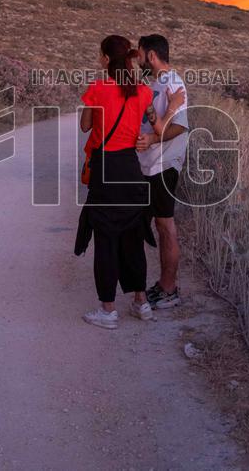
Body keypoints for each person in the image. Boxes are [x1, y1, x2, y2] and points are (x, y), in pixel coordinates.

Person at [75, 35, 185, 330]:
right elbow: (158, 127)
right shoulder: (143, 92)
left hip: (106, 168)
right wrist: (174, 104)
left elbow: (85, 125)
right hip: (132, 168)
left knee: (106, 237)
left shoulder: (98, 87)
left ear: (106, 59)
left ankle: (108, 310)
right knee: (133, 235)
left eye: (101, 55)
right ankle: (141, 302)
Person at [136, 34, 189, 310]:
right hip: (151, 164)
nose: (138, 58)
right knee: (154, 224)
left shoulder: (175, 84)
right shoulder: (157, 83)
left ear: (152, 56)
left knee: (166, 226)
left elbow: (178, 127)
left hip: (165, 164)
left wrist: (153, 139)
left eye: (141, 53)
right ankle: (158, 286)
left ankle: (169, 290)